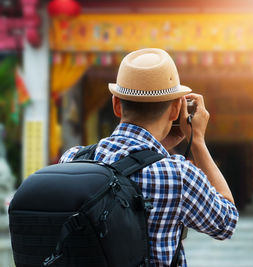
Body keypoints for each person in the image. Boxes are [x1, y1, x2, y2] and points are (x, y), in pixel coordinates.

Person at [59, 48, 238, 266]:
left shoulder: (73, 159)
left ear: (116, 105)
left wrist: (155, 149)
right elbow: (226, 222)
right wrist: (197, 141)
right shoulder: (178, 176)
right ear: (175, 111)